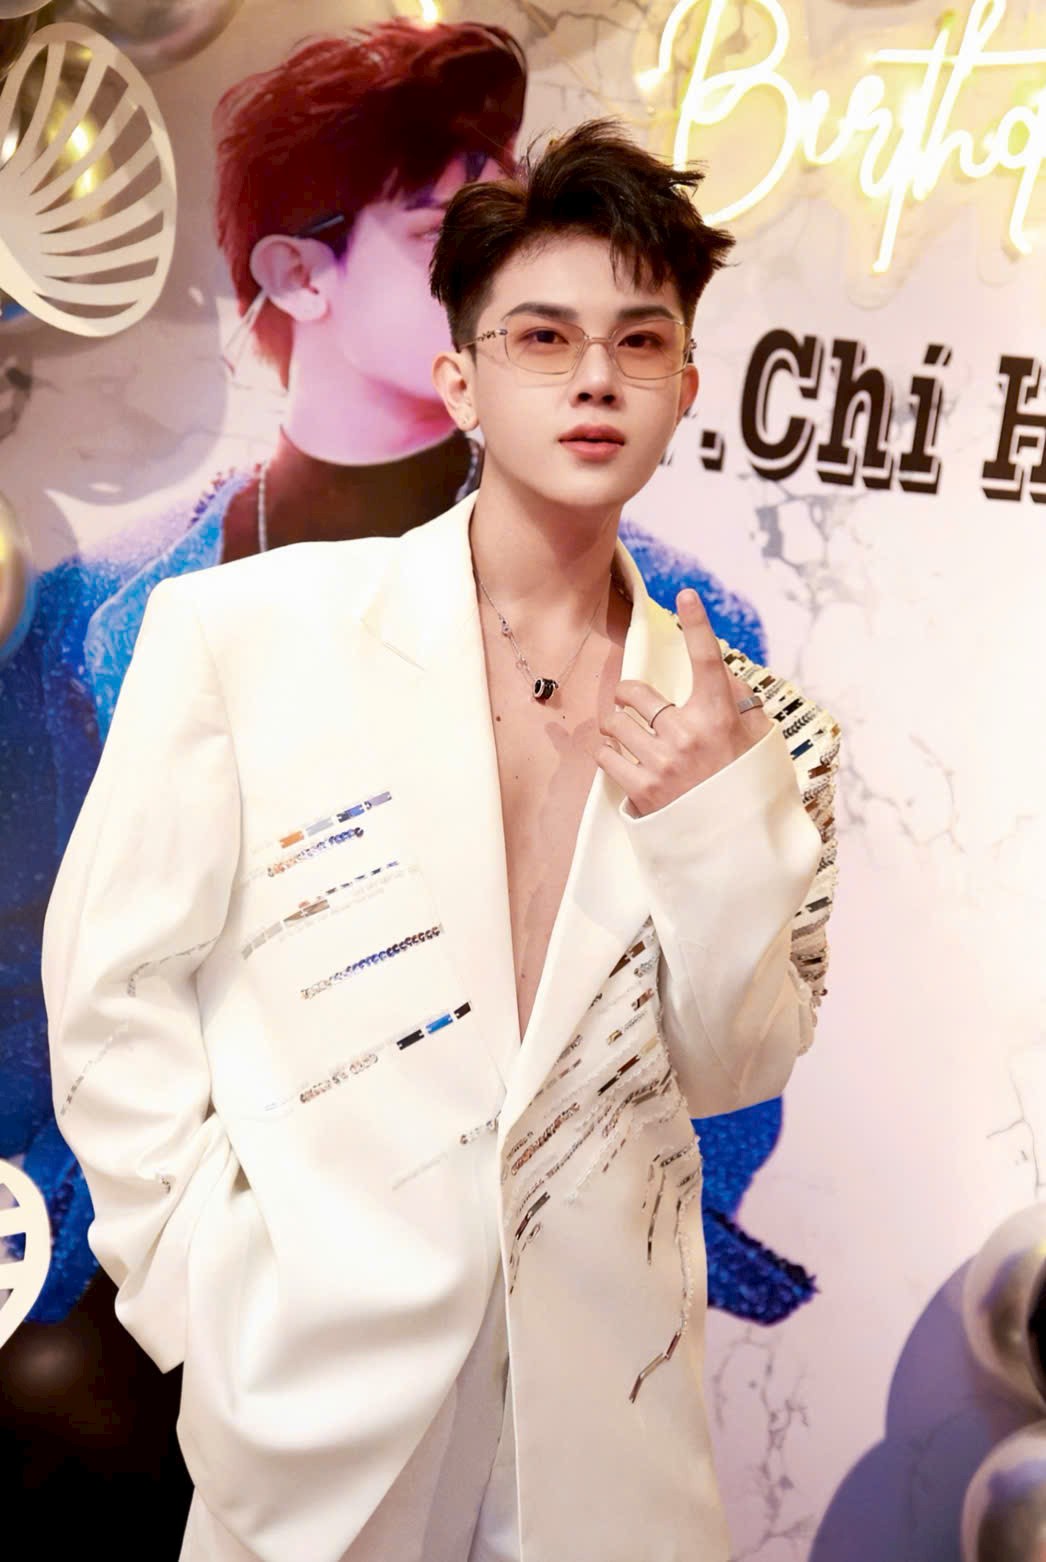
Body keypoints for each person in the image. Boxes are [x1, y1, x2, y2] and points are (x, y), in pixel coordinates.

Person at [41, 119, 840, 1561]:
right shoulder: (247, 635)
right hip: (313, 1406)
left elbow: (735, 1063)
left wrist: (713, 820)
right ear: (460, 379)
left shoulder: (757, 722)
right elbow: (111, 984)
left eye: (639, 341)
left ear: (682, 390)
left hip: (608, 1434)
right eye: (543, 336)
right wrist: (200, 1284)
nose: (594, 377)